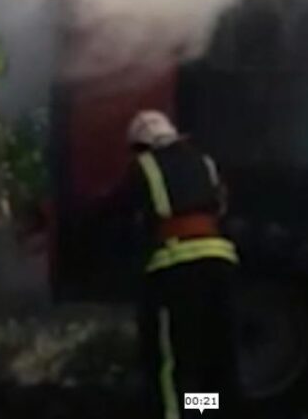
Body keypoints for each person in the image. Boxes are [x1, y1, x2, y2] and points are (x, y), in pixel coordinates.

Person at [102, 109, 241, 419]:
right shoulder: (205, 161)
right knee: (218, 357)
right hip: (220, 263)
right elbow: (221, 205)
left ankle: (177, 413)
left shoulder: (144, 167)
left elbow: (117, 210)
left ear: (141, 145)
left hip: (176, 271)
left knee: (173, 362)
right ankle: (211, 411)